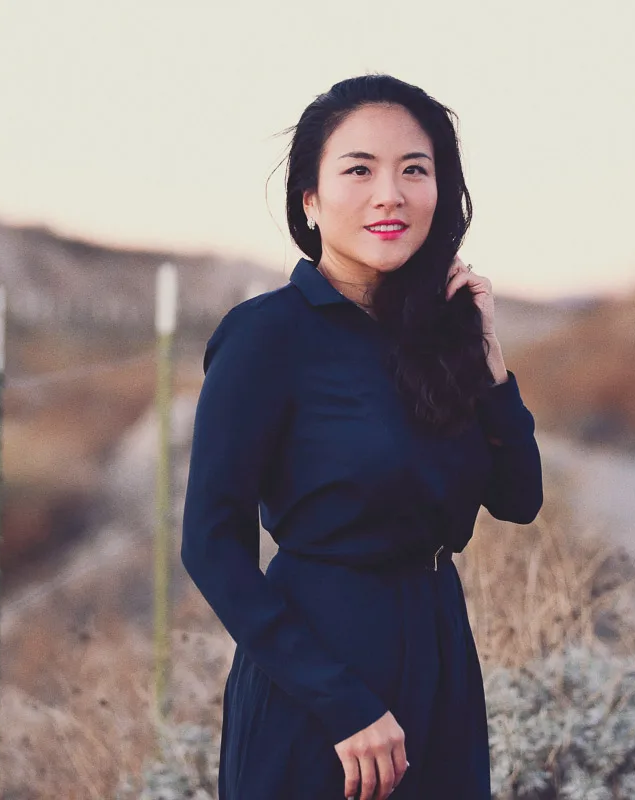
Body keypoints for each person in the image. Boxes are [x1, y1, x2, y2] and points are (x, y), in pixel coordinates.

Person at [180, 74, 544, 800]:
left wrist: (489, 358)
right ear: (310, 199)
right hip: (322, 674)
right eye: (359, 170)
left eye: (415, 169)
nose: (391, 194)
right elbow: (211, 546)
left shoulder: (438, 333)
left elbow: (519, 498)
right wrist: (343, 704)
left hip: (441, 648)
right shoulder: (266, 336)